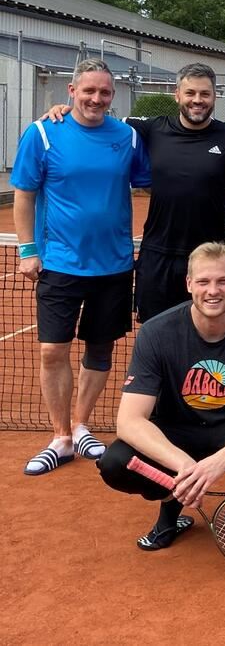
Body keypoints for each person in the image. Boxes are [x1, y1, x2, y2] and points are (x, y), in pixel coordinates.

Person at [42, 63, 225, 323]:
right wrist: (66, 111)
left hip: (211, 256)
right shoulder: (149, 129)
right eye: (190, 92)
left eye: (205, 94)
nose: (197, 100)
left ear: (214, 97)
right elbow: (97, 117)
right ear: (177, 95)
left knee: (212, 338)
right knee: (156, 341)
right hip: (159, 257)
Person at [97, 243, 225, 550]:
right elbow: (129, 421)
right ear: (189, 284)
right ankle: (171, 502)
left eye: (223, 281)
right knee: (115, 462)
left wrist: (219, 461)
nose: (213, 291)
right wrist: (185, 466)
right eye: (204, 281)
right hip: (177, 431)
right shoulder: (156, 332)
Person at [14, 58, 151, 475]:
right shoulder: (42, 133)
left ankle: (81, 425)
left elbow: (151, 179)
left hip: (113, 265)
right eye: (88, 90)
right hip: (59, 263)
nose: (96, 98)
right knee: (52, 349)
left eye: (104, 92)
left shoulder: (126, 137)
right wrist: (27, 250)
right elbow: (23, 195)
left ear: (113, 96)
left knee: (100, 348)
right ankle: (60, 437)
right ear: (70, 91)